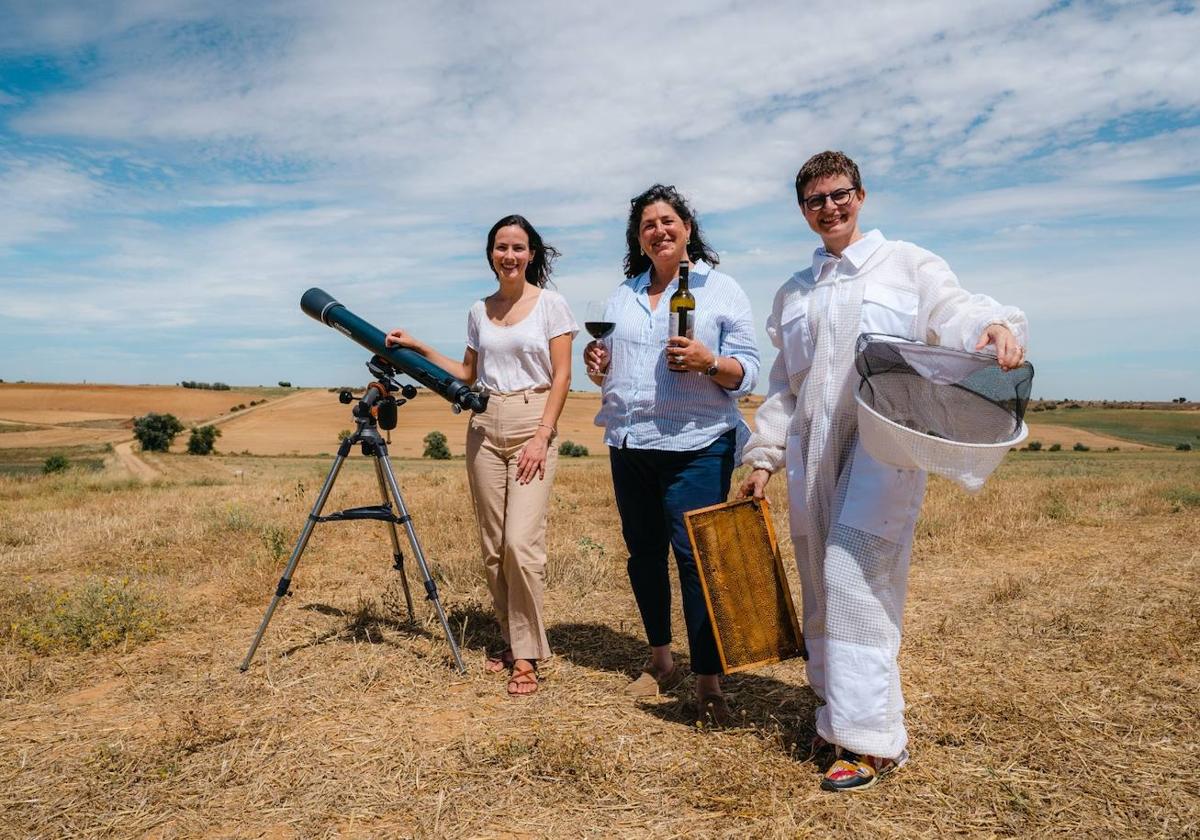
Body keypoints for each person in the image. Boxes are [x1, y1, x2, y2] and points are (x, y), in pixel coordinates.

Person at [739, 151, 1027, 791]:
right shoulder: (795, 291)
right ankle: (834, 715)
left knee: (854, 579)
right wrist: (763, 456)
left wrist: (995, 325)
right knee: (818, 577)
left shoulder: (907, 264)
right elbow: (787, 385)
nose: (829, 209)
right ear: (803, 211)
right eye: (815, 201)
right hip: (813, 453)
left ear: (861, 196)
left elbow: (954, 309)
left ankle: (871, 741)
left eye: (839, 195)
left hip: (882, 451)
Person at [585, 184, 760, 724]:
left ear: (687, 227)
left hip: (699, 444)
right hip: (630, 443)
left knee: (698, 562)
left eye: (667, 221)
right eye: (647, 226)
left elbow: (750, 372)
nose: (658, 231)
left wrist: (710, 362)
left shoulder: (722, 289)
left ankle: (709, 679)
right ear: (638, 240)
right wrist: (599, 365)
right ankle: (662, 660)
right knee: (643, 555)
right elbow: (614, 367)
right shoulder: (624, 294)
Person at [386, 214, 576, 697]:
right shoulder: (479, 310)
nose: (509, 255)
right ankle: (511, 641)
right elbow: (467, 374)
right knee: (493, 548)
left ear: (532, 253)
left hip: (534, 420)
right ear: (491, 254)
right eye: (501, 247)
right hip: (485, 426)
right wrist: (419, 347)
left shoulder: (551, 305)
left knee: (520, 544)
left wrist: (542, 435)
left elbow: (562, 376)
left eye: (518, 247)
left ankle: (529, 656)